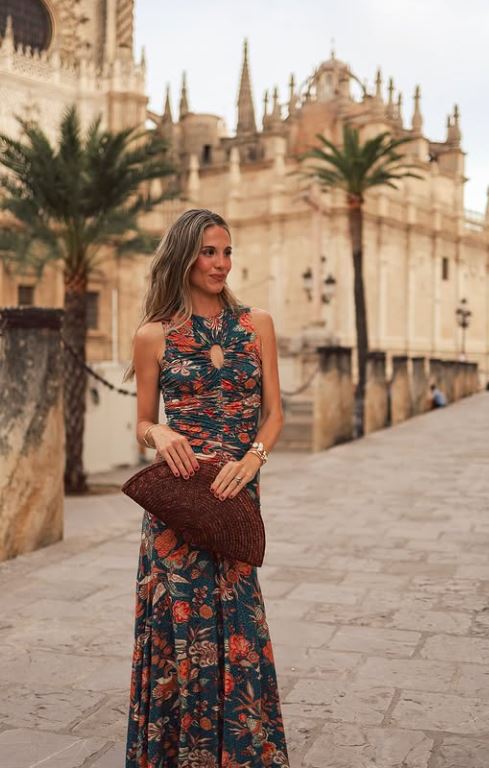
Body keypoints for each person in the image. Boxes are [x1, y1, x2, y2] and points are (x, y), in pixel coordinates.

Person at [124, 208, 290, 767]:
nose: (221, 264)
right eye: (208, 252)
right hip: (178, 504)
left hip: (236, 494)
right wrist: (159, 431)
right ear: (184, 258)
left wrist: (253, 459)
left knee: (240, 620)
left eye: (227, 252)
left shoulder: (257, 324)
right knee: (180, 627)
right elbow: (142, 422)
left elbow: (274, 414)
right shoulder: (154, 335)